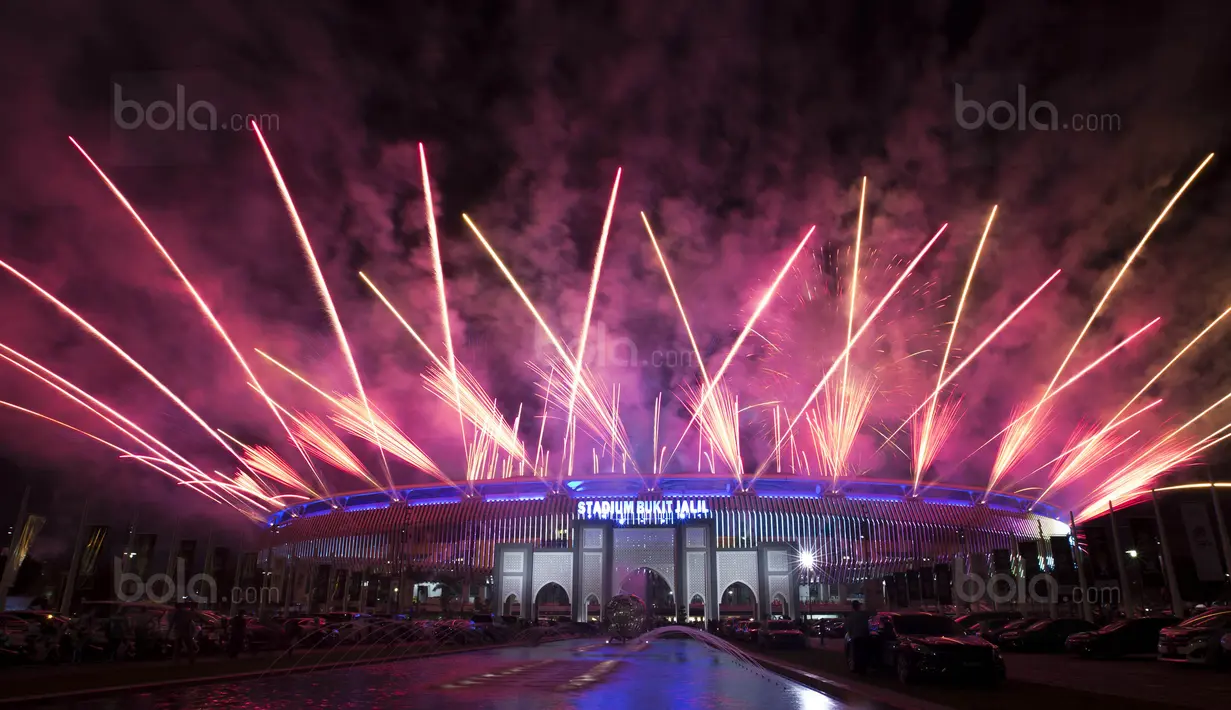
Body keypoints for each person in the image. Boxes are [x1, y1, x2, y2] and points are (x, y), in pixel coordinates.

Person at [845, 600, 871, 672]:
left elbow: (848, 628)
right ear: (859, 606)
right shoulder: (864, 615)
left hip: (855, 637)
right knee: (863, 653)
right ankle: (863, 667)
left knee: (855, 653)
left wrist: (850, 635)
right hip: (863, 636)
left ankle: (856, 668)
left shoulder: (850, 616)